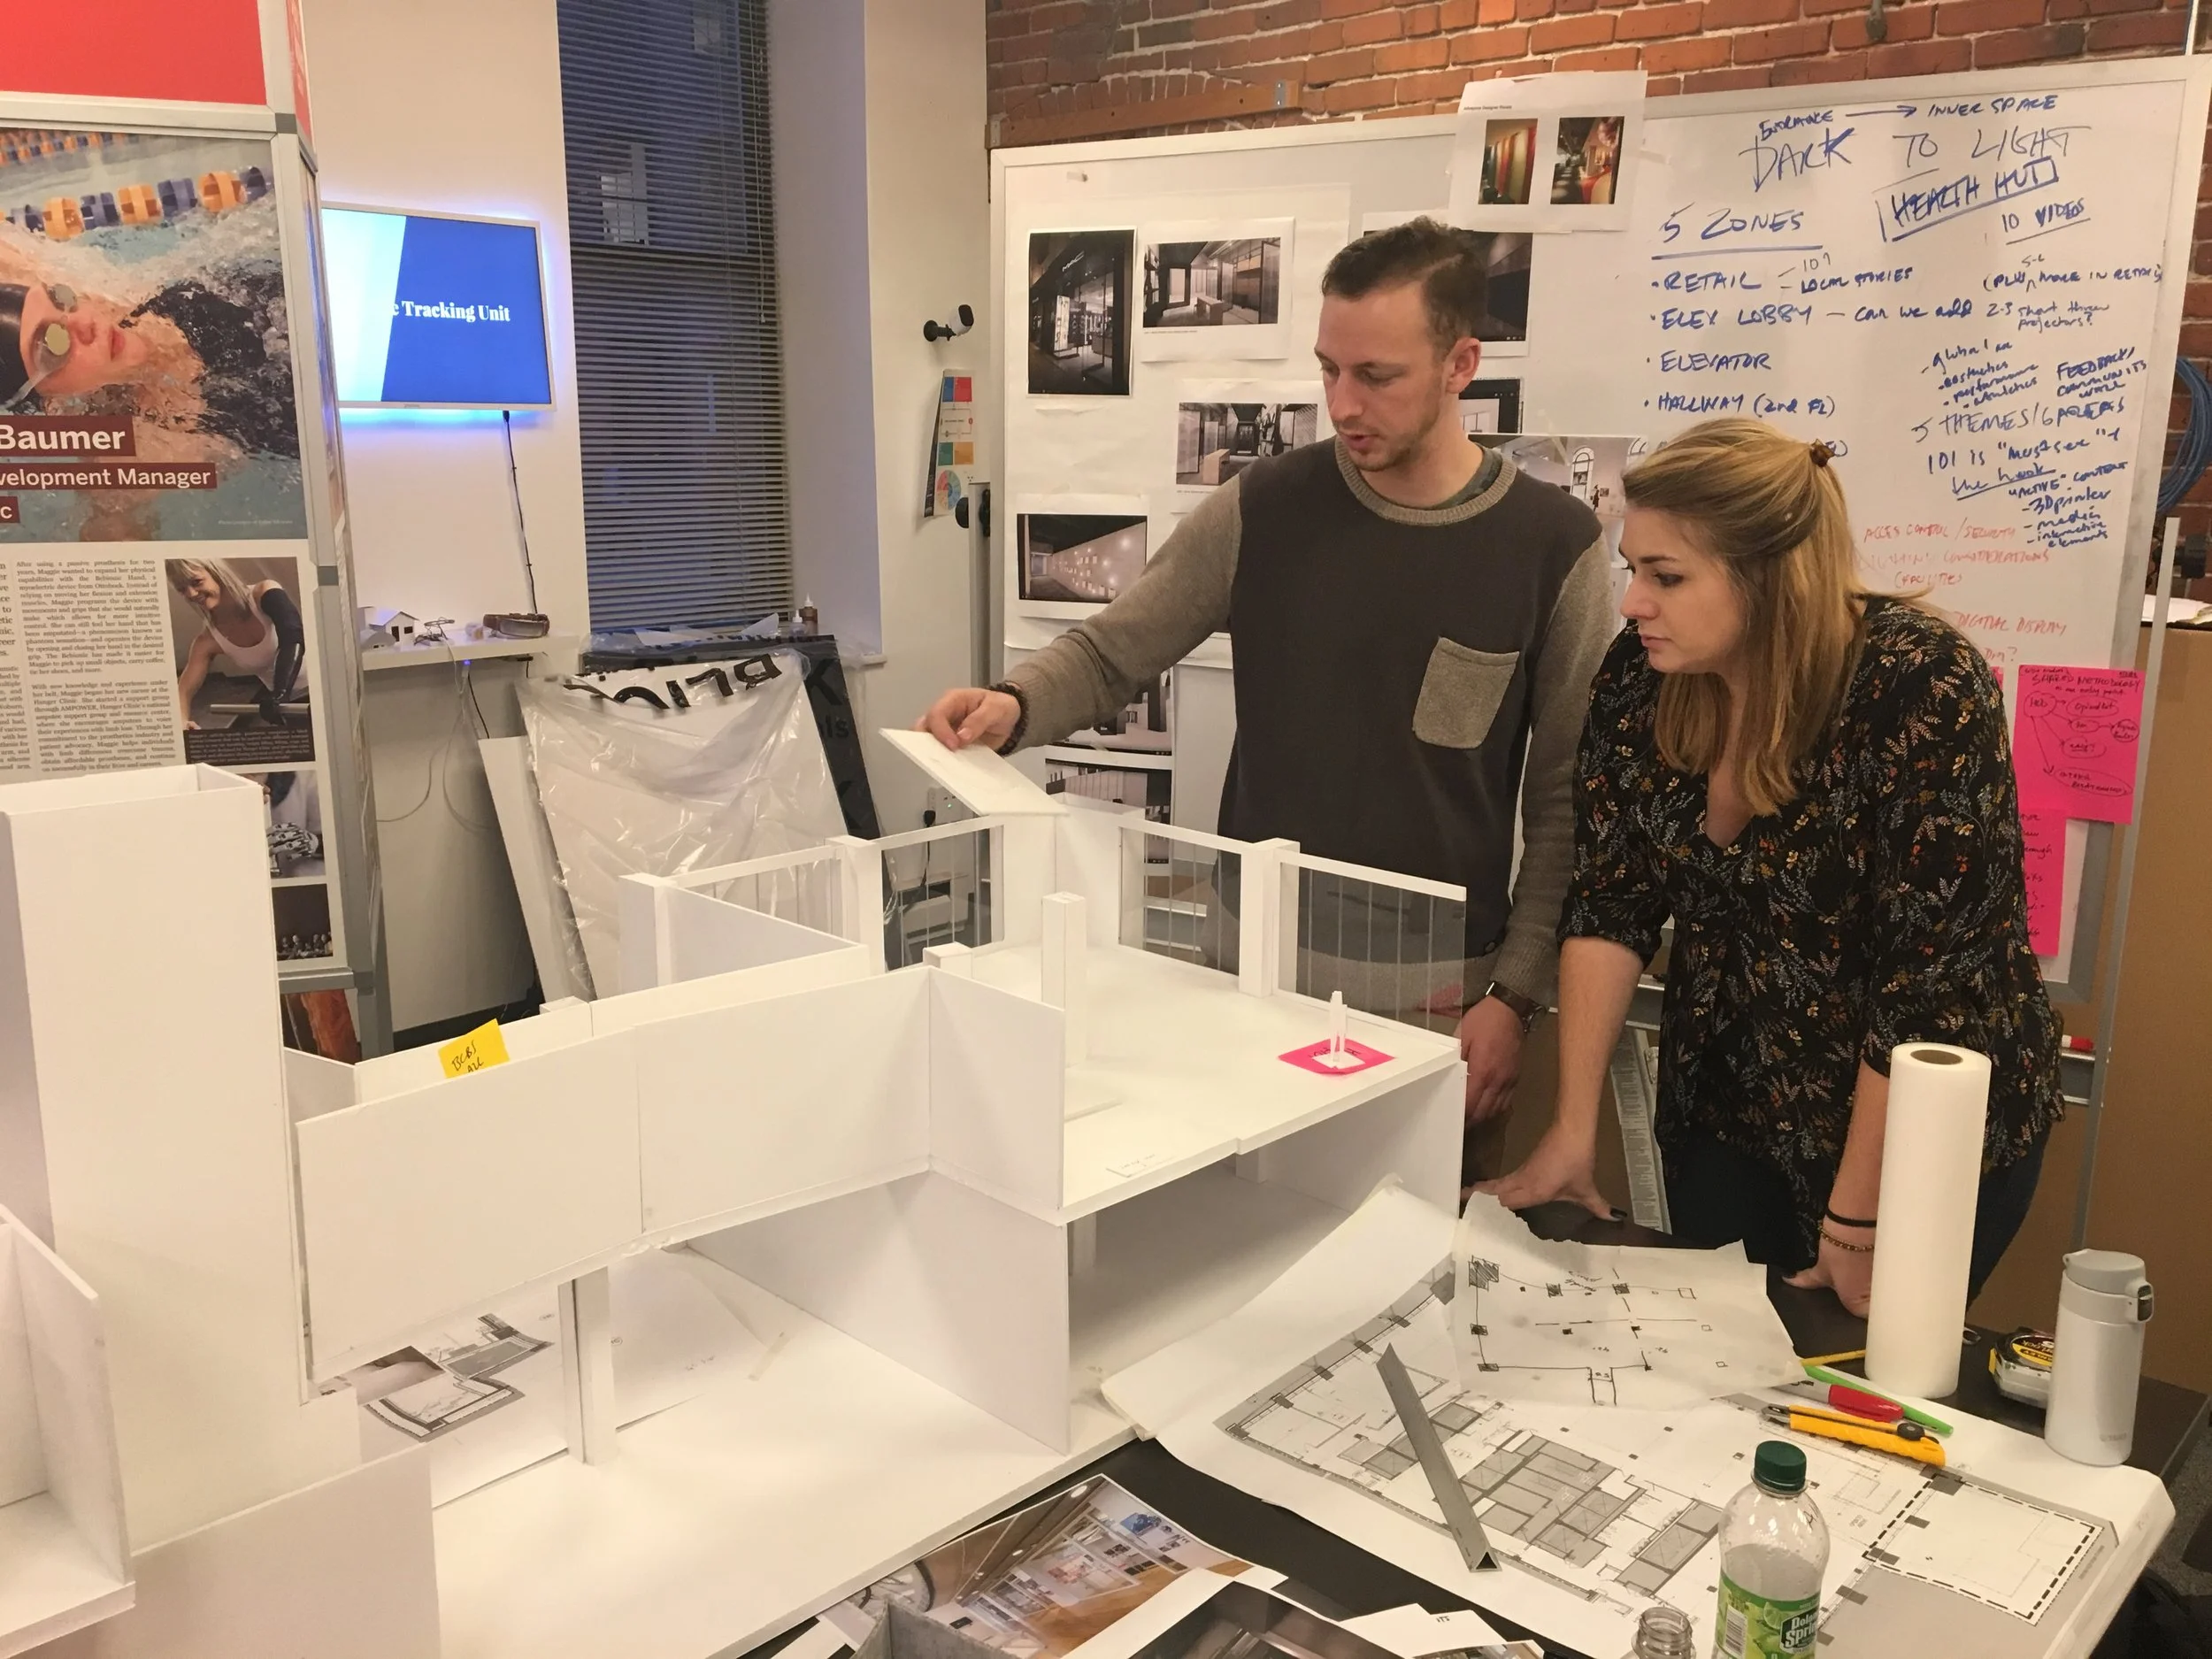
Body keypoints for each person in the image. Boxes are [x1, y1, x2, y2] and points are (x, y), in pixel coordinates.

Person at [919, 218, 1618, 1174]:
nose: (1343, 403)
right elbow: (1115, 649)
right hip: (1249, 971)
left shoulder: (1554, 546)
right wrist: (1013, 703)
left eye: (1376, 376)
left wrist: (1515, 995)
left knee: (1411, 1243)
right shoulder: (1266, 505)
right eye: (1329, 369)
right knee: (1234, 1222)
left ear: (1461, 364)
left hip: (1438, 995)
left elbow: (1568, 800)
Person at [1481, 419, 2062, 1313]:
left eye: (1666, 576)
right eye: (1632, 568)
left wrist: (1856, 1219)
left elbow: (1926, 992)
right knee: (1730, 1357)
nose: (1633, 604)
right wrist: (1570, 1131)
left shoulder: (1919, 684)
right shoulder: (1641, 677)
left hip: (1913, 1128)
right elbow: (1609, 903)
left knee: (1863, 1363)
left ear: (1768, 576)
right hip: (1729, 1100)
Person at [168, 557, 305, 729]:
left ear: (216, 574)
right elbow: (183, 691)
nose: (191, 594)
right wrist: (181, 723)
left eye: (196, 582)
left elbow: (293, 637)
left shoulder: (264, 592)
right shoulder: (207, 641)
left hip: (318, 687)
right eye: (182, 589)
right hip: (287, 706)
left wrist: (280, 692)